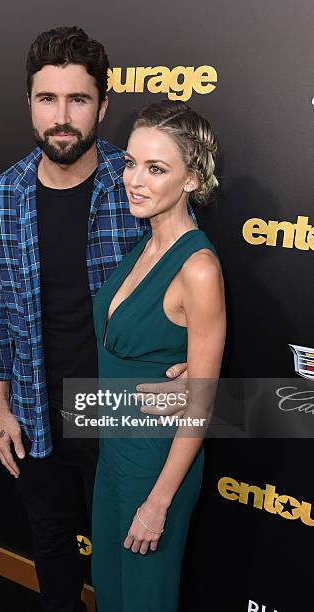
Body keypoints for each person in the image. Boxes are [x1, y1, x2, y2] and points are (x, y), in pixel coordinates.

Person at [0, 27, 190, 612]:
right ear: (29, 104)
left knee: (128, 559)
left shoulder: (137, 184)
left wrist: (191, 361)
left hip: (122, 413)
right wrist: (0, 408)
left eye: (78, 100)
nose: (62, 117)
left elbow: (192, 272)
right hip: (38, 409)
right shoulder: (0, 199)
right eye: (48, 99)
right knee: (52, 551)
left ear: (103, 105)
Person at [91, 99, 226, 611]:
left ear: (192, 179)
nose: (135, 180)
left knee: (145, 601)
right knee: (111, 589)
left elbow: (201, 403)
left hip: (157, 466)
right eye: (130, 163)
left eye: (156, 168)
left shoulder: (198, 269)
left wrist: (159, 501)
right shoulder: (141, 245)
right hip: (114, 452)